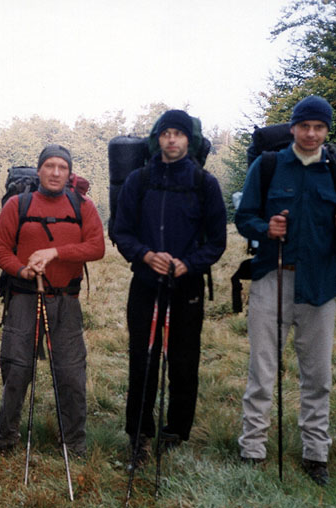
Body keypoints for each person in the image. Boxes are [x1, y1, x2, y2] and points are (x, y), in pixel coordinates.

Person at [235, 95, 336, 485]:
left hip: (321, 282)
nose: (310, 133)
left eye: (318, 127)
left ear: (326, 131)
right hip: (272, 277)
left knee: (318, 375)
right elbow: (244, 217)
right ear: (292, 128)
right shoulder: (268, 165)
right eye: (304, 126)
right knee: (262, 370)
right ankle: (252, 448)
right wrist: (264, 229)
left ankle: (316, 453)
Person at [112, 109, 227, 465]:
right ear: (157, 138)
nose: (172, 139)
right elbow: (120, 230)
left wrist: (187, 264)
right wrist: (145, 255)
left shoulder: (204, 183)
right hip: (146, 283)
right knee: (142, 360)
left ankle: (175, 432)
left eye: (179, 134)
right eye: (166, 133)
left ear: (189, 140)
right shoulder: (138, 180)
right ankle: (139, 435)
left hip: (186, 286)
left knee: (183, 361)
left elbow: (217, 241)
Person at [0, 144, 105, 458]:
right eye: (50, 166)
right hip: (23, 299)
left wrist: (55, 252)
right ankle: (4, 440)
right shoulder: (18, 205)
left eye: (62, 167)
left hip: (66, 301)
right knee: (16, 370)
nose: (55, 172)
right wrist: (22, 270)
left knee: (70, 373)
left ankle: (74, 443)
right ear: (39, 169)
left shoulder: (83, 206)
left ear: (69, 173)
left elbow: (97, 247)